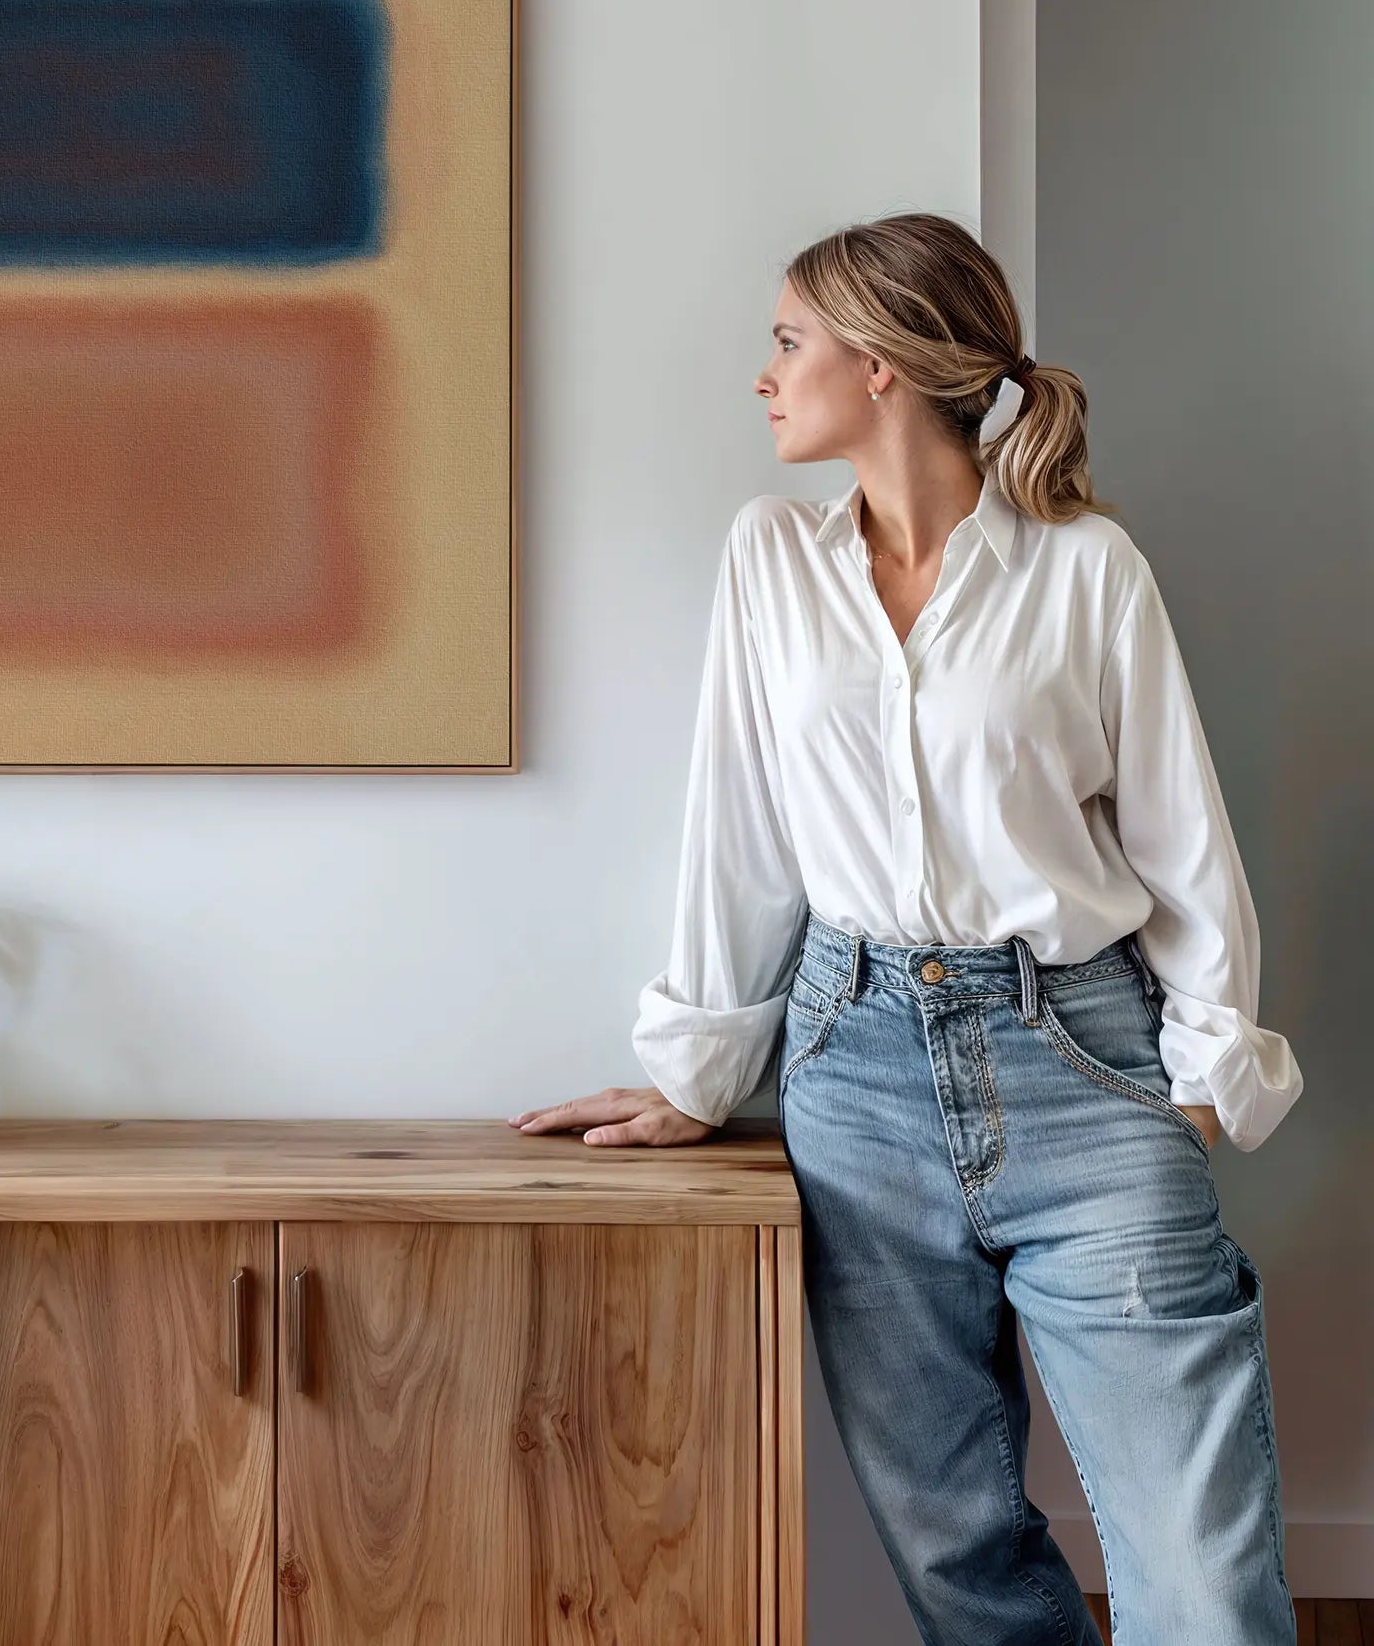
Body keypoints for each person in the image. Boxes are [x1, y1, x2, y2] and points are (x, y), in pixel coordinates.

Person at [510, 213, 1302, 1644]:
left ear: (879, 367)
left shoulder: (1085, 569)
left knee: (1199, 1568)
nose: (765, 375)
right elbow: (736, 827)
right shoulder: (771, 561)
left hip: (1086, 1058)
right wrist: (701, 1071)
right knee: (957, 1557)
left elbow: (1184, 839)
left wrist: (1201, 1077)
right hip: (854, 1070)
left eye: (787, 341)